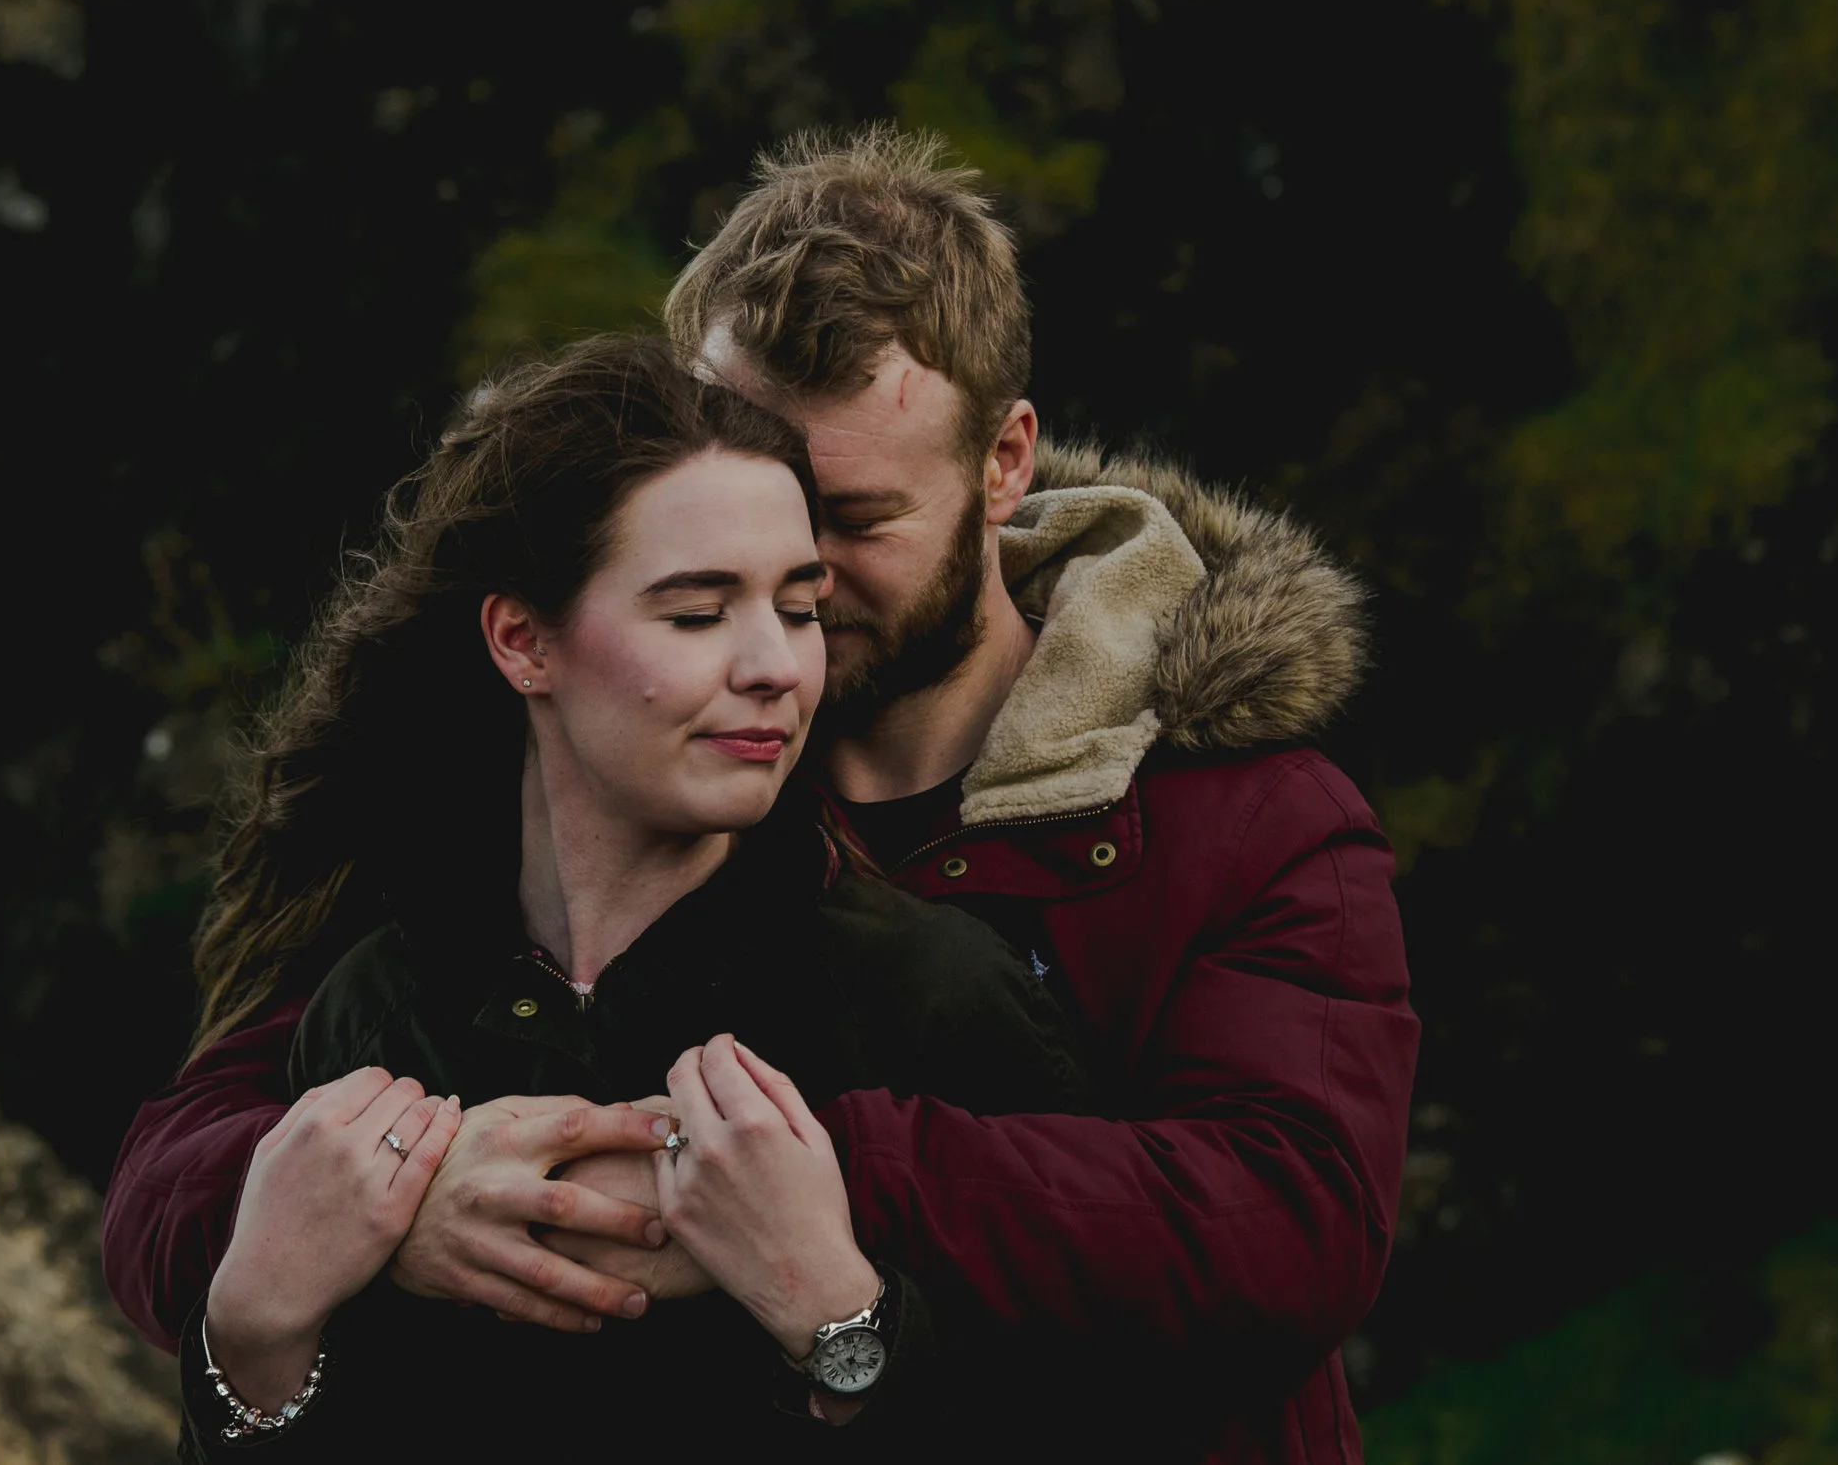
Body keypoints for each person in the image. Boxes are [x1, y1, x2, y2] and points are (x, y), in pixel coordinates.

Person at [107, 128, 1418, 1462]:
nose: (795, 586)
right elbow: (193, 1155)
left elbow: (1293, 1227)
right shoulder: (546, 810)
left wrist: (811, 1175)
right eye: (717, 548)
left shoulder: (1240, 812)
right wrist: (393, 1199)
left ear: (1004, 460)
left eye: (848, 522)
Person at [175, 336, 1084, 1454]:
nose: (774, 666)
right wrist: (253, 1328)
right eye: (698, 613)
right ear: (523, 641)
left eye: (798, 608)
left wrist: (839, 1316)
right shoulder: (375, 1009)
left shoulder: (932, 991)